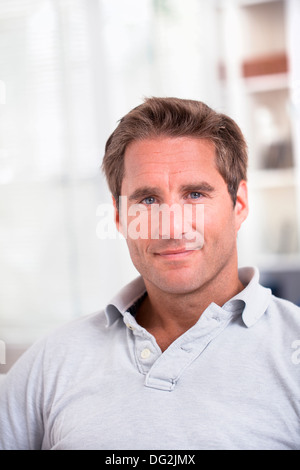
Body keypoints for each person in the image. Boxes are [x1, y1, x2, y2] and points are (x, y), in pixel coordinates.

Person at [0, 97, 300, 450]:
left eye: (195, 194)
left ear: (240, 204)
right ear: (118, 217)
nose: (171, 228)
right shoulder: (54, 359)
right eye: (147, 200)